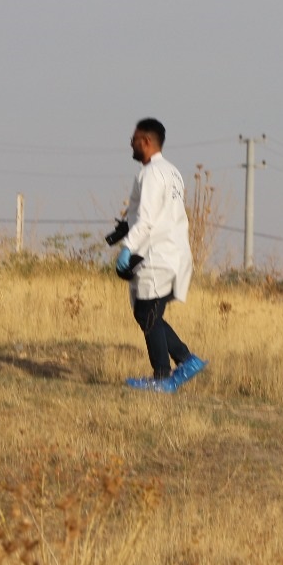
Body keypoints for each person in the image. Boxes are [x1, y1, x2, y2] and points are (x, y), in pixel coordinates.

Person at [113, 118, 205, 392]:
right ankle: (187, 361)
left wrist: (128, 247)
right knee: (148, 313)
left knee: (147, 313)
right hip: (173, 252)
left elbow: (148, 218)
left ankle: (163, 376)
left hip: (158, 254)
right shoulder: (172, 172)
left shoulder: (151, 174)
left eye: (134, 139)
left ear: (147, 142)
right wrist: (124, 229)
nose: (131, 143)